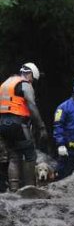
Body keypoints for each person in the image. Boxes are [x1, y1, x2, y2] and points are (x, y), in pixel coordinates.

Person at [0, 63, 47, 191]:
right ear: (30, 74)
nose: (32, 82)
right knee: (30, 154)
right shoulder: (25, 84)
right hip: (17, 123)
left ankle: (14, 189)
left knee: (14, 156)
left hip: (2, 124)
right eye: (33, 79)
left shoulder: (6, 83)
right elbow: (31, 105)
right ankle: (29, 189)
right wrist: (41, 126)